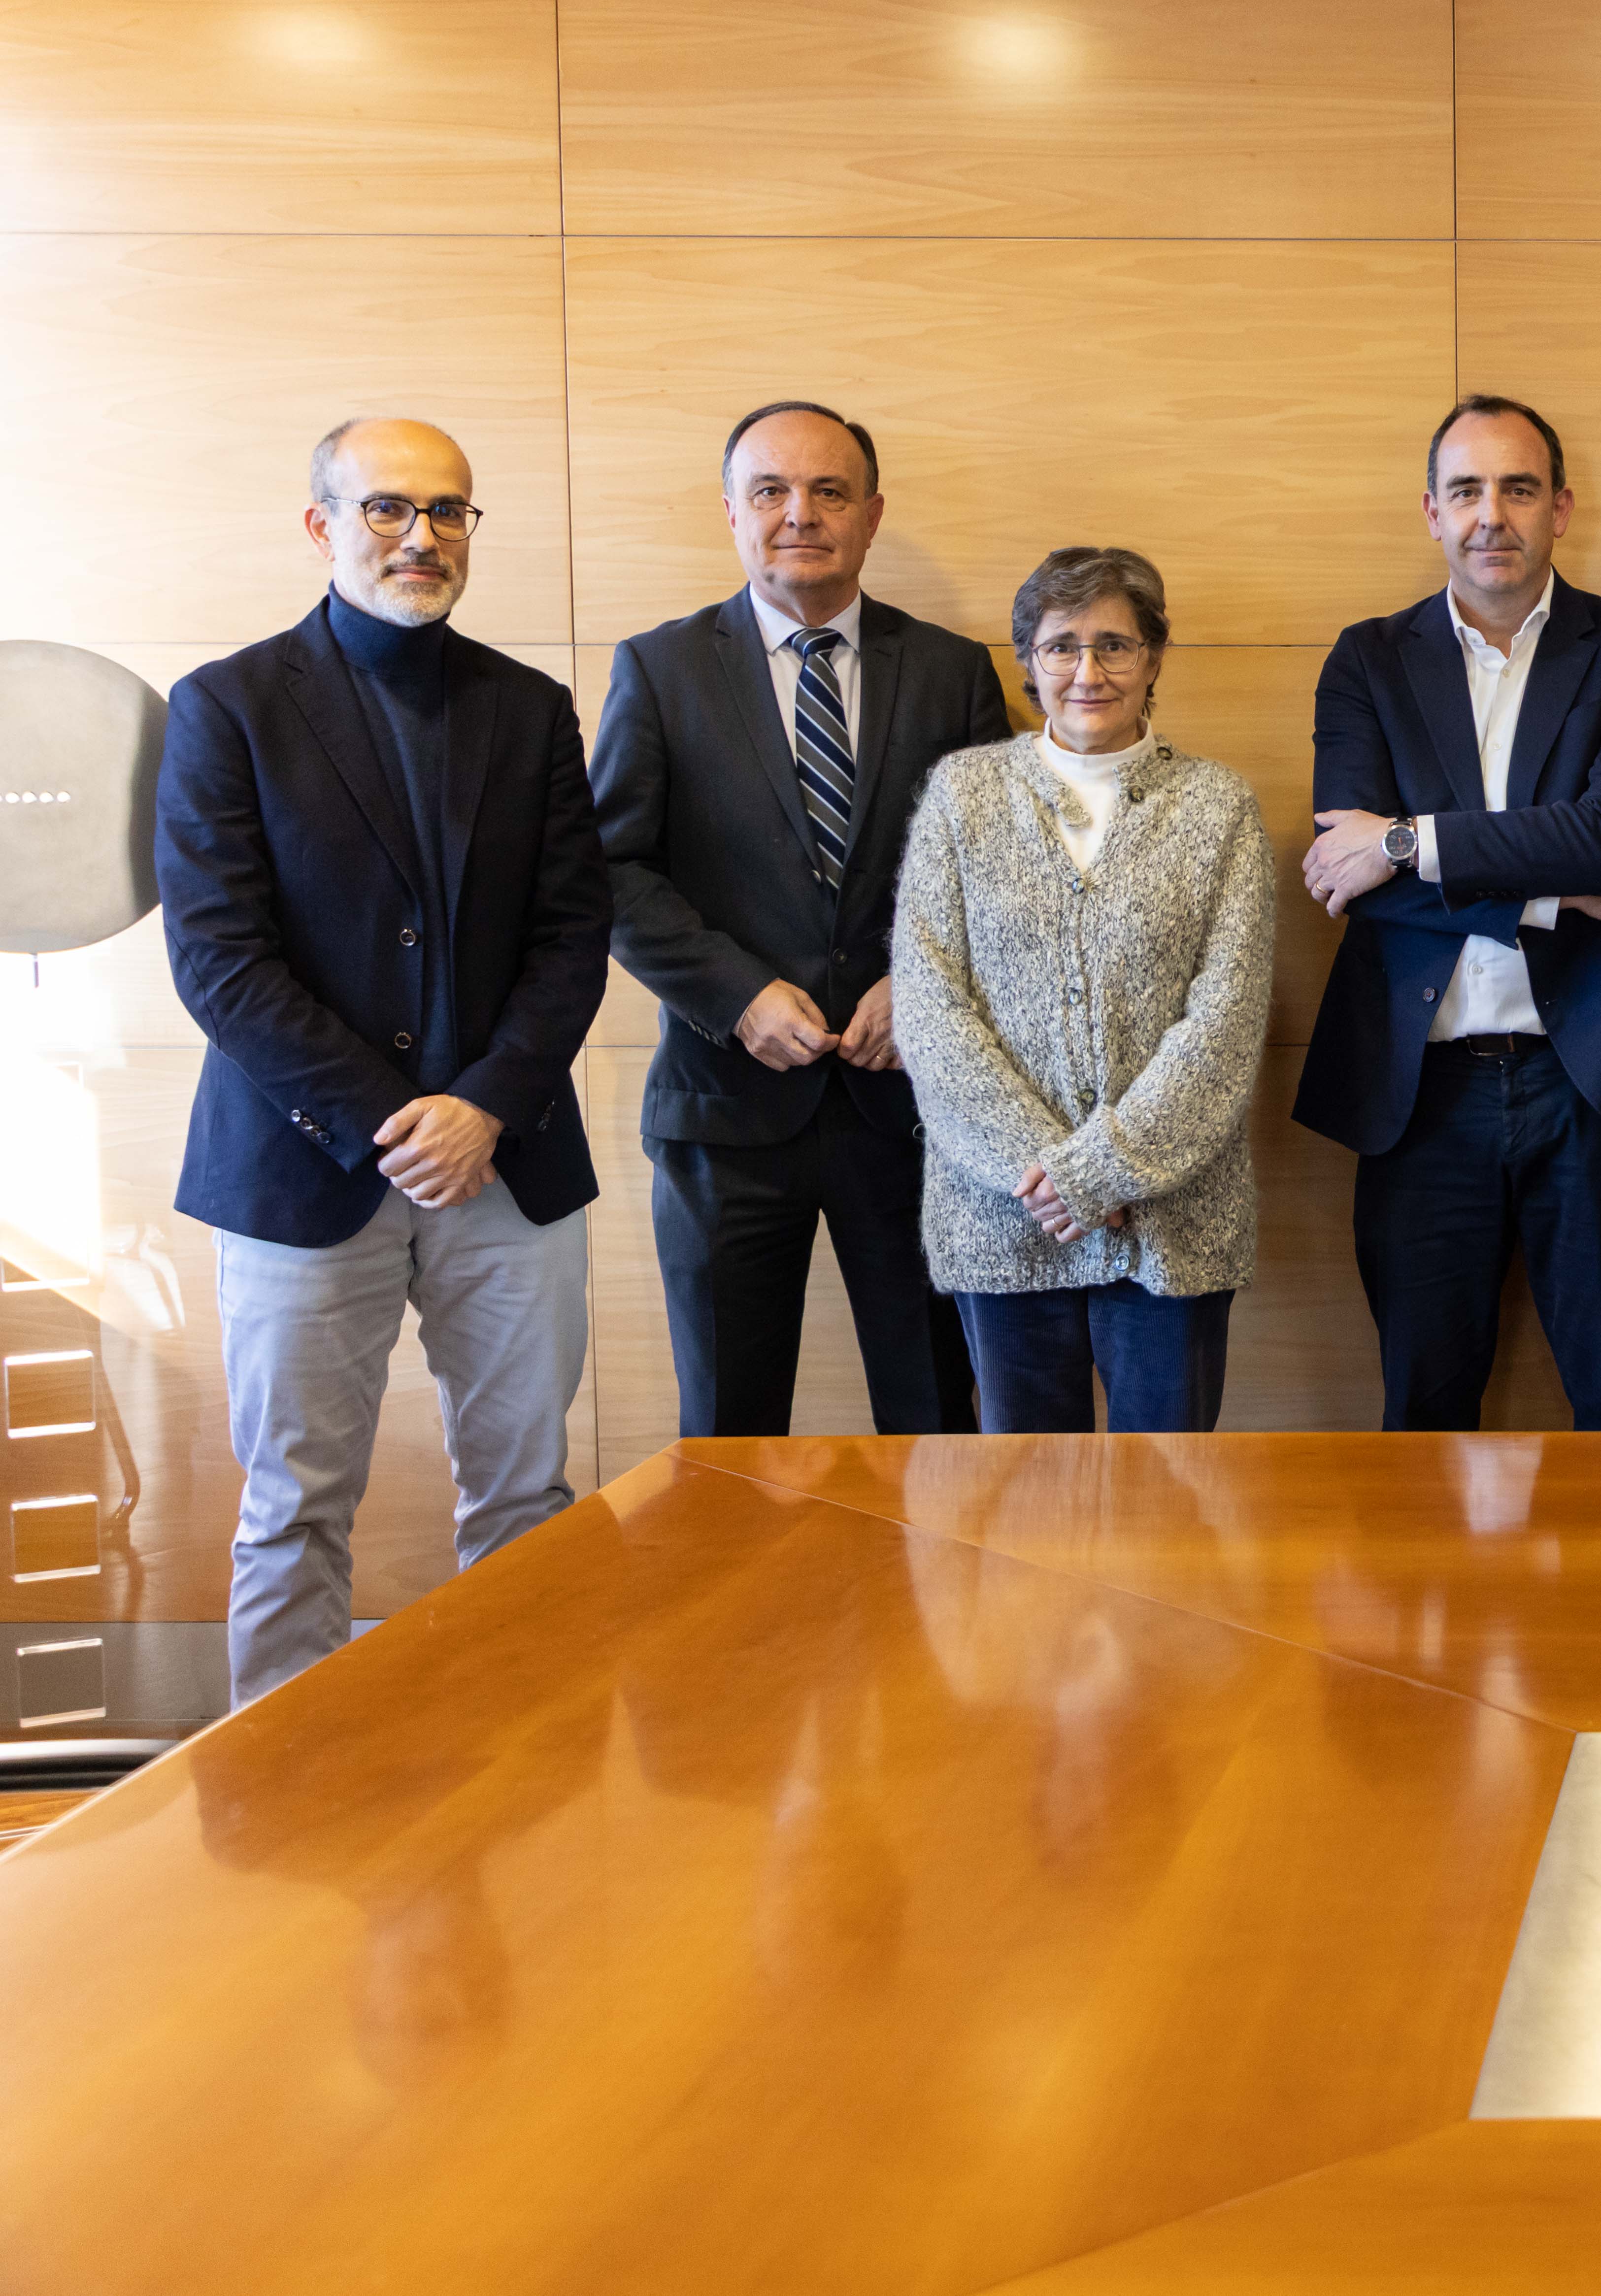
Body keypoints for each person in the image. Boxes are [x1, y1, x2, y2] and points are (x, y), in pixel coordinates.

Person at [156, 418, 611, 1703]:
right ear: (322, 524)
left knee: (527, 1496)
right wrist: (392, 1118)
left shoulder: (529, 710)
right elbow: (220, 959)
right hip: (299, 1174)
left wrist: (481, 1105)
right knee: (295, 1506)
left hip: (509, 1167)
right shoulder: (227, 706)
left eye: (451, 510)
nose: (423, 535)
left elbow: (575, 935)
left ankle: (521, 1784)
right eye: (390, 508)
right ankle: (287, 1795)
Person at [590, 400, 1012, 1438]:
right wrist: (733, 994)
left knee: (935, 1420)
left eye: (829, 490)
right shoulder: (661, 667)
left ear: (871, 515)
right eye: (770, 490)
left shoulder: (953, 671)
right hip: (724, 1111)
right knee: (729, 1434)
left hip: (911, 1108)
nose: (800, 513)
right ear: (731, 512)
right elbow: (610, 868)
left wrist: (918, 989)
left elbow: (999, 874)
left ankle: (939, 1606)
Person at [1293, 395, 1601, 1431]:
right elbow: (1356, 887)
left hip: (1594, 1087)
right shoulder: (1367, 660)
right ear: (1430, 512)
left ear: (1560, 508)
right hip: (1422, 1091)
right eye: (1466, 490)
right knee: (1422, 1410)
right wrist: (1567, 891)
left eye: (1518, 488)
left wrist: (1408, 840)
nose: (1493, 514)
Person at [894, 547, 1275, 1432]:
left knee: (1168, 1511)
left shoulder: (1219, 809)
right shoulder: (963, 796)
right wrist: (1049, 1175)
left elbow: (1223, 1026)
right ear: (1029, 661)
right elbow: (930, 1007)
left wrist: (1100, 1170)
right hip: (1006, 1219)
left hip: (1173, 1225)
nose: (1088, 670)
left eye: (1116, 644)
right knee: (1026, 1517)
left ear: (1154, 659)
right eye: (1062, 645)